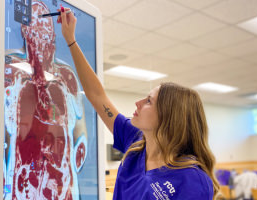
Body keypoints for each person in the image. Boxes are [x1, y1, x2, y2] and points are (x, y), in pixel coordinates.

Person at [58, 7, 220, 200]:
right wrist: (71, 40)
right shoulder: (135, 142)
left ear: (168, 118)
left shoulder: (192, 179)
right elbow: (96, 96)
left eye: (149, 101)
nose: (138, 103)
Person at [3, 1, 88, 199]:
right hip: (23, 181)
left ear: (52, 38)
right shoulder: (12, 72)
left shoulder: (66, 77)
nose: (40, 38)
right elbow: (1, 135)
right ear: (25, 33)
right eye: (34, 32)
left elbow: (80, 131)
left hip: (60, 181)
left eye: (45, 34)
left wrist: (76, 157)